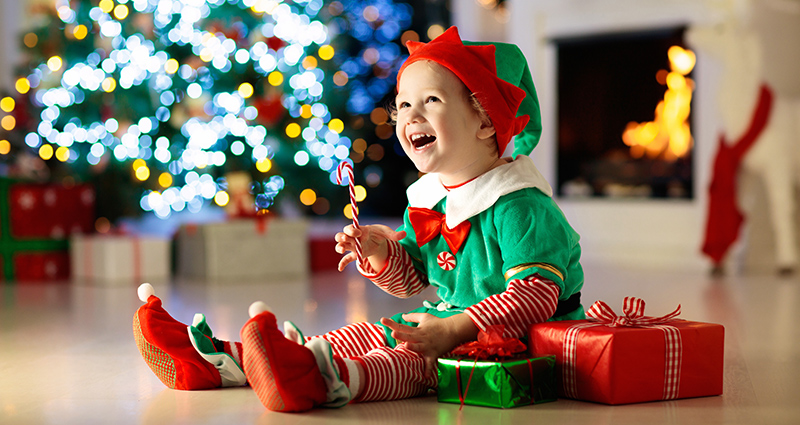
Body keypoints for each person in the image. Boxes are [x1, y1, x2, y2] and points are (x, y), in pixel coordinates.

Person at [132, 26, 584, 413]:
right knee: (369, 331)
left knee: (410, 361)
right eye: (403, 105)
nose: (411, 115)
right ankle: (224, 360)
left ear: (486, 120)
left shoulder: (519, 204)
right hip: (450, 320)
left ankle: (327, 380)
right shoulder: (432, 200)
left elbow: (533, 297)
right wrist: (382, 252)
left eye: (430, 100)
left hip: (514, 342)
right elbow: (413, 280)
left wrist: (452, 329)